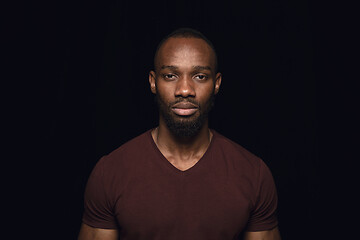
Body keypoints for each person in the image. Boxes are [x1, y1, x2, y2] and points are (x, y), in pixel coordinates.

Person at [78, 28, 281, 240]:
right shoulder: (110, 172)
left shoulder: (253, 174)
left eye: (200, 76)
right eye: (171, 76)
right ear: (153, 82)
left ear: (217, 83)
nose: (185, 90)